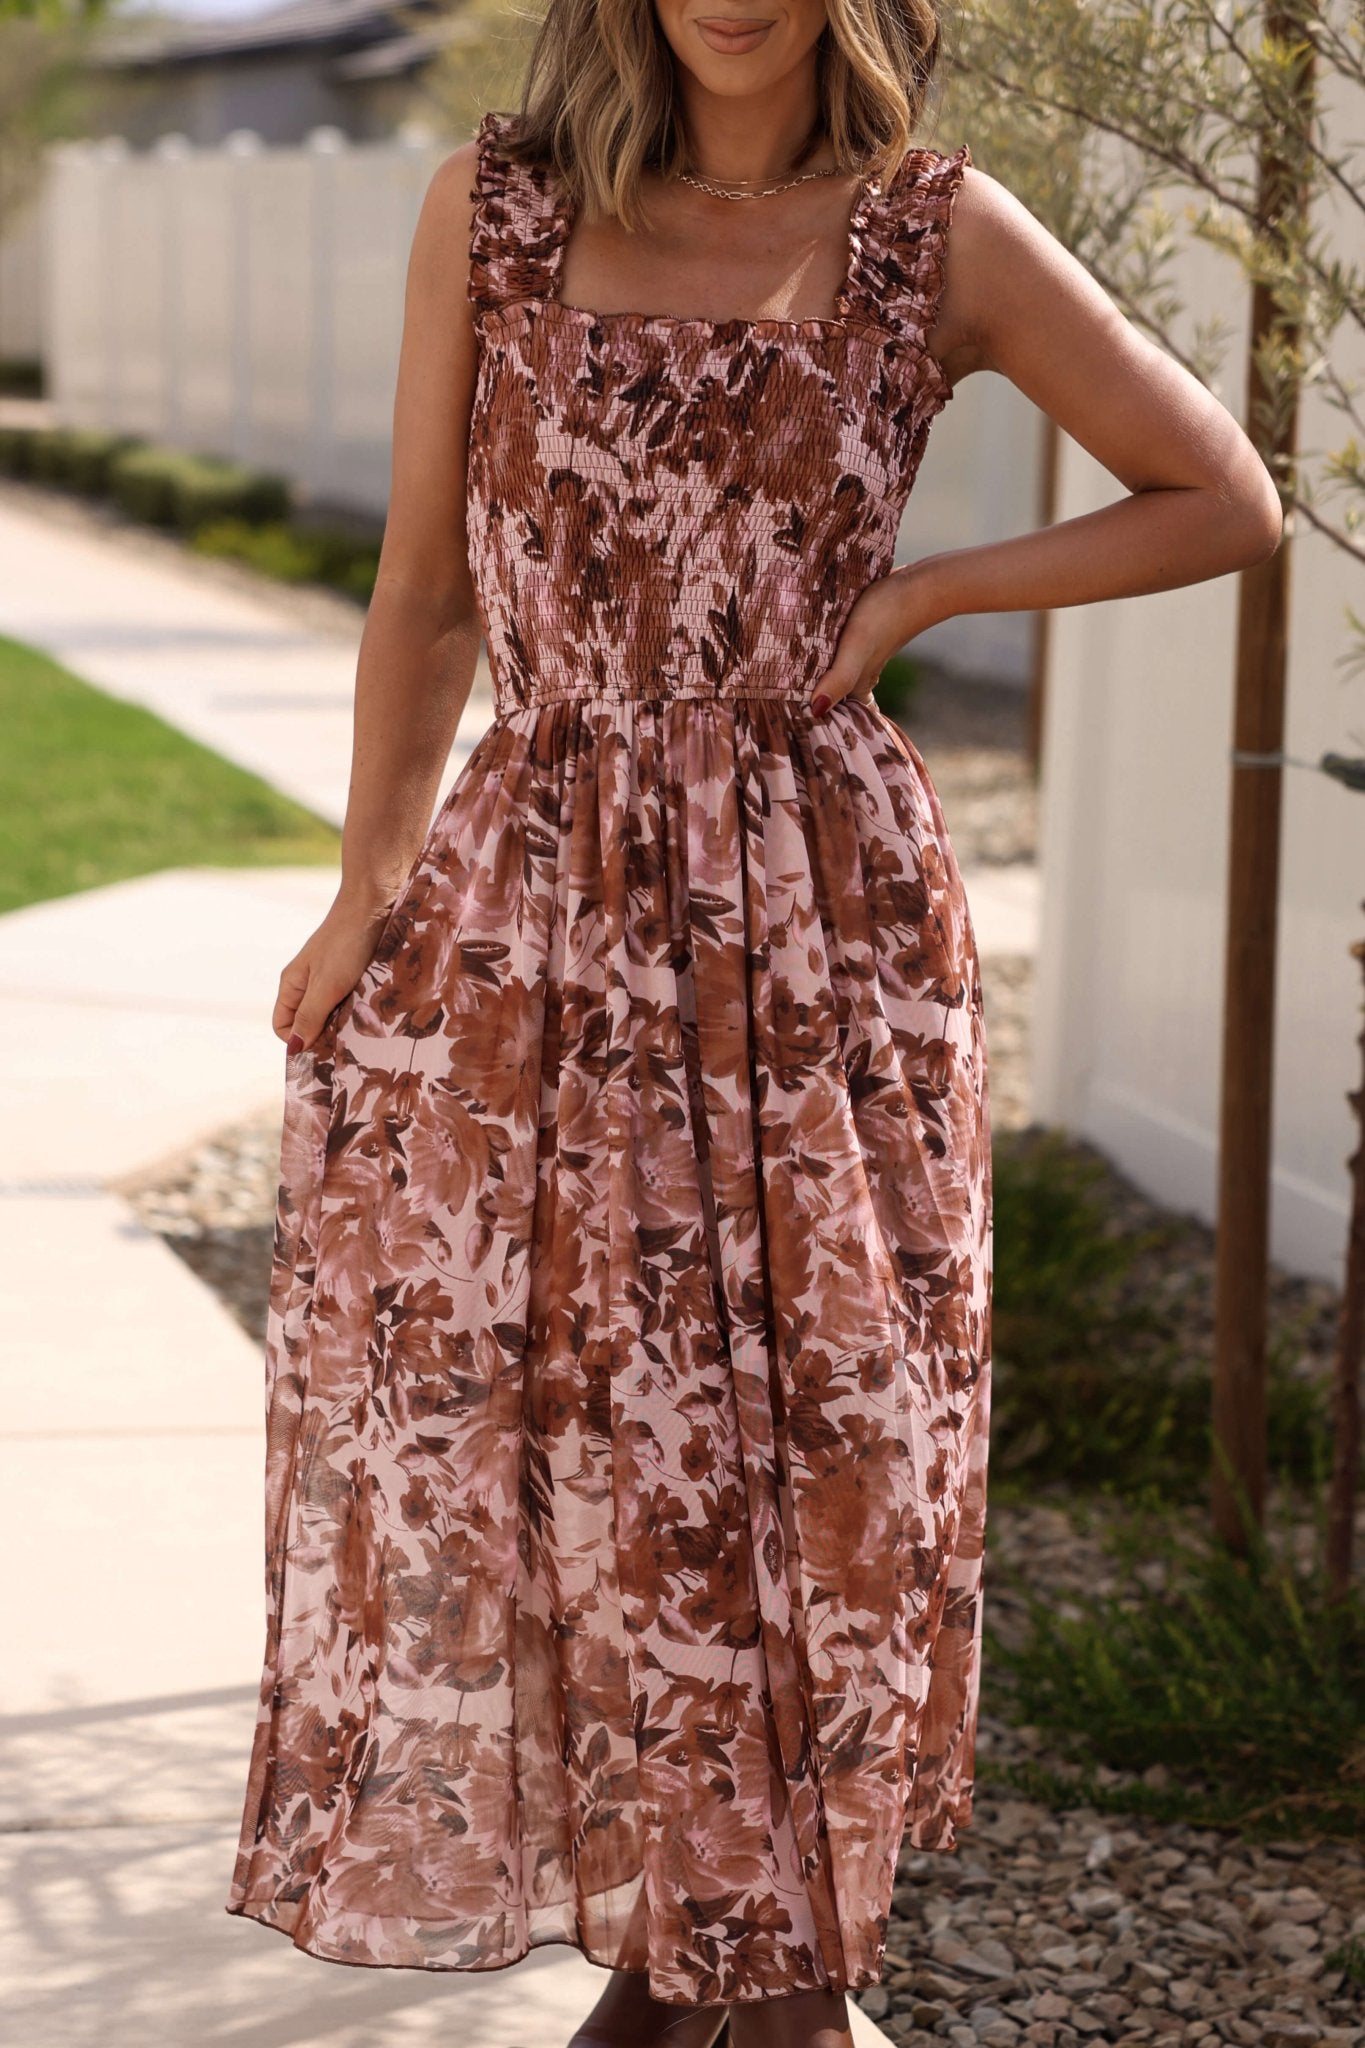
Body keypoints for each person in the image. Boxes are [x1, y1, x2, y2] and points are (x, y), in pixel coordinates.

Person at [223, 3, 1282, 2045]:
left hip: (824, 943)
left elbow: (1217, 495)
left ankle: (752, 1963)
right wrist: (367, 882)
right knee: (583, 1469)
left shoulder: (926, 234)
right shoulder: (497, 213)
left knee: (824, 1471)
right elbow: (429, 587)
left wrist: (920, 597)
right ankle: (738, 1971)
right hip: (540, 928)